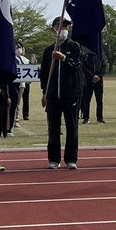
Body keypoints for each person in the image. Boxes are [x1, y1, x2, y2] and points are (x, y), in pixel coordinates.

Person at [40, 16, 83, 169]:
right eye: (60, 26)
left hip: (71, 93)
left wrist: (64, 58)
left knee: (72, 126)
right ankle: (53, 158)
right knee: (53, 127)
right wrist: (44, 93)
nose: (62, 30)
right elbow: (44, 75)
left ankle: (71, 159)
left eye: (65, 27)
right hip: (53, 95)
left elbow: (77, 67)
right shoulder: (47, 51)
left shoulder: (75, 47)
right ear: (54, 28)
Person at [80, 47, 105, 124]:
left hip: (99, 82)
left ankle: (100, 118)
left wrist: (99, 76)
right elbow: (83, 68)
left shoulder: (101, 56)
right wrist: (92, 76)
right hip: (88, 82)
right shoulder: (85, 57)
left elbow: (104, 67)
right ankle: (86, 118)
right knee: (86, 100)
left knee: (99, 100)